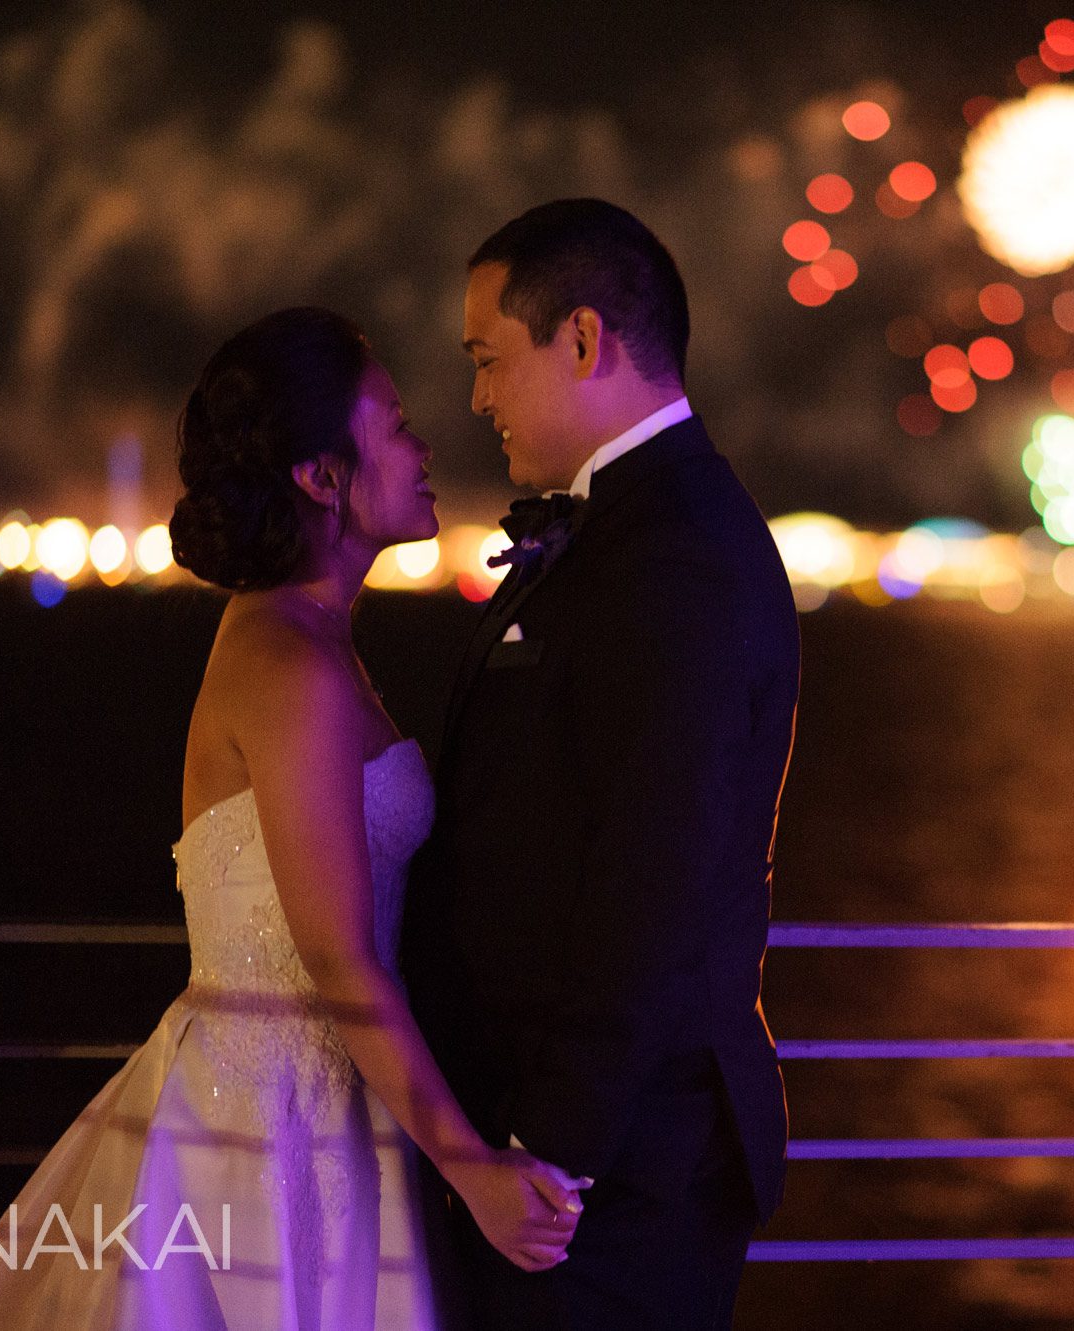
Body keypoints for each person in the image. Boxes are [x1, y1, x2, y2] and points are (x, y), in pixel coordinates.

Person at [0, 306, 586, 1330]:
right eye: (394, 424)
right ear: (320, 476)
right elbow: (336, 956)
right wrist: (471, 1169)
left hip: (329, 1097)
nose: (422, 448)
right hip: (267, 1121)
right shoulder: (288, 662)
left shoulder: (315, 641)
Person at [404, 199, 800, 1328]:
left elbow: (653, 874)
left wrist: (545, 1155)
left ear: (580, 340)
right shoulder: (626, 529)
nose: (477, 397)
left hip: (612, 1176)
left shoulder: (676, 554)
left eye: (488, 359)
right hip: (568, 1155)